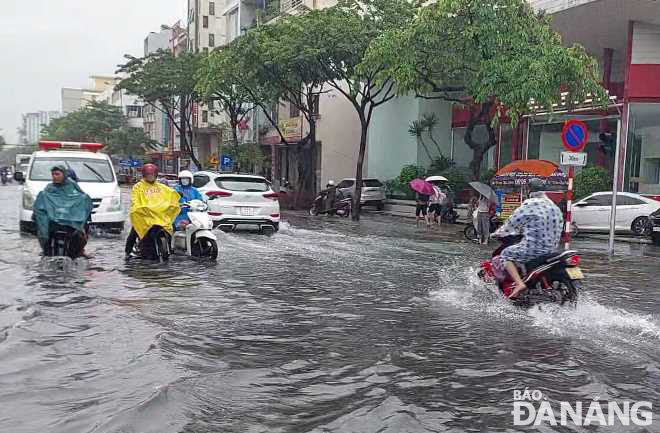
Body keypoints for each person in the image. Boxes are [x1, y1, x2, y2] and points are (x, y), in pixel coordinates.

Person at [492, 179, 564, 299]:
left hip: (534, 249)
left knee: (506, 254)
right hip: (552, 250)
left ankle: (519, 284)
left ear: (529, 190)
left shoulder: (530, 204)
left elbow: (511, 223)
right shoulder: (553, 206)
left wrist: (497, 233)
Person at [32, 165, 92, 258]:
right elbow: (43, 202)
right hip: (53, 220)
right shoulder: (49, 188)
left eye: (57, 174)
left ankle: (79, 250)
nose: (54, 176)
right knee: (41, 227)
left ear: (64, 174)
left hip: (70, 219)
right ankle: (46, 249)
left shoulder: (72, 185)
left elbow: (81, 197)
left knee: (82, 230)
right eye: (53, 174)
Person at [125, 163, 180, 257]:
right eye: (148, 175)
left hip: (158, 215)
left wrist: (177, 195)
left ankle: (170, 248)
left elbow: (170, 193)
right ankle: (128, 251)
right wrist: (138, 207)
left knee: (170, 228)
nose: (150, 177)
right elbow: (135, 199)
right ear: (144, 175)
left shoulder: (161, 186)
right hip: (144, 215)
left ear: (156, 175)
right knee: (135, 230)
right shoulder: (138, 187)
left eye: (152, 175)